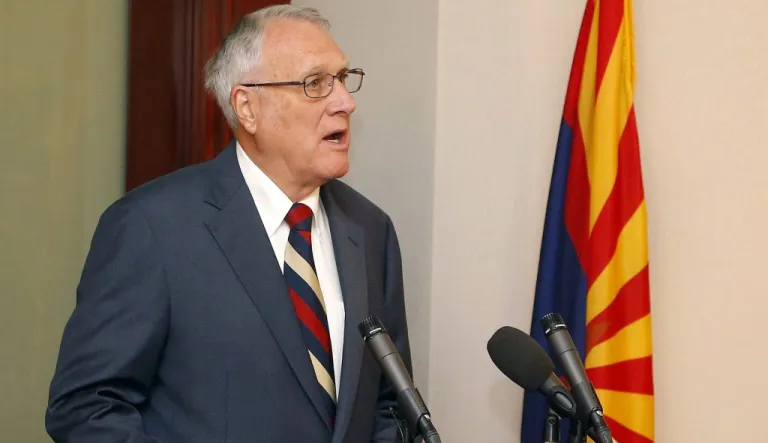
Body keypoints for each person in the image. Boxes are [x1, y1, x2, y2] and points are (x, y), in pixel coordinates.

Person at [45, 5, 413, 443]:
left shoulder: (370, 230)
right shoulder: (152, 227)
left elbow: (388, 405)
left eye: (344, 78)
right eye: (316, 83)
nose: (345, 102)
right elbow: (87, 408)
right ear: (247, 107)